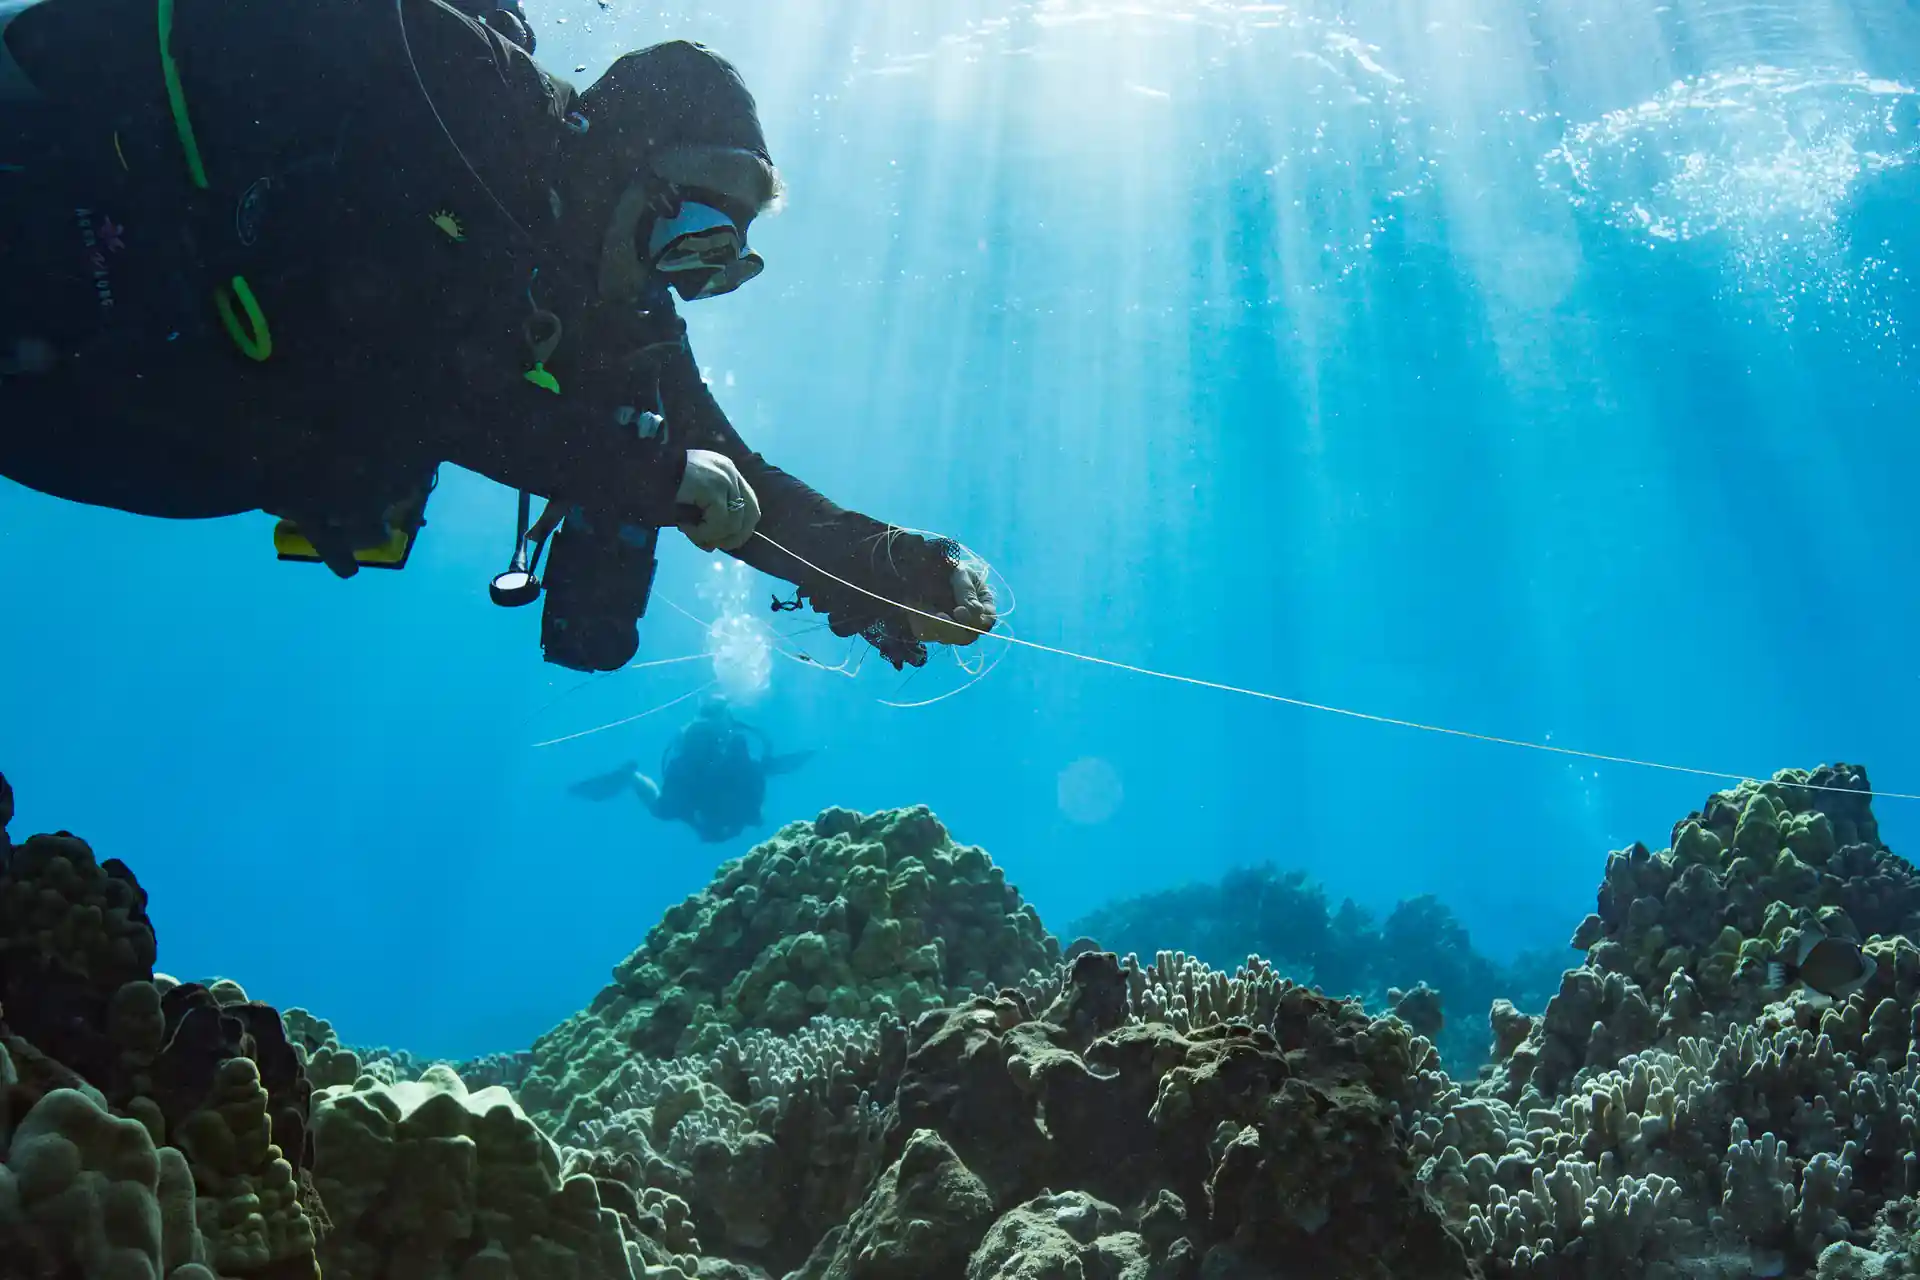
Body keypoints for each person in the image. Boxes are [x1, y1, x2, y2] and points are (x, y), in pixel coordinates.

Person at [0, 0, 996, 672]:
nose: (684, 278)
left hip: (109, 397)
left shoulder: (618, 312)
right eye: (691, 230)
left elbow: (733, 475)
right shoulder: (451, 104)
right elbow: (399, 369)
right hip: (63, 237)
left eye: (721, 260)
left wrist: (888, 564)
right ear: (619, 164)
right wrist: (635, 472)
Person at [568, 697, 808, 843]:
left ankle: (630, 777)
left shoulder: (733, 805)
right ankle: (631, 777)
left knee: (663, 807)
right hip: (700, 775)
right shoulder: (740, 806)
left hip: (697, 773)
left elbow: (763, 767)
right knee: (662, 807)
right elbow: (762, 768)